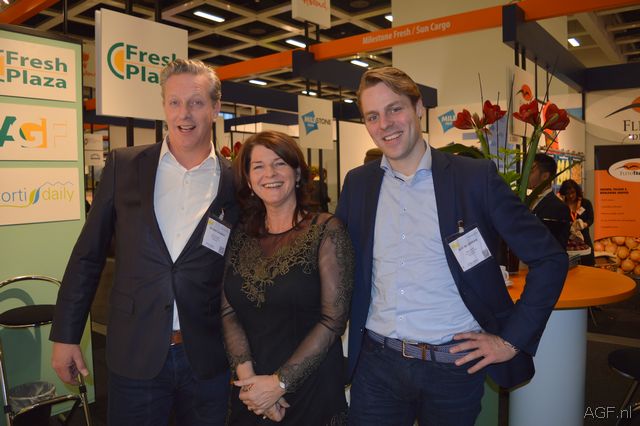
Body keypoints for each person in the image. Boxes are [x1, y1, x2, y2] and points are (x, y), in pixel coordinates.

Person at [335, 66, 568, 425]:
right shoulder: (358, 184)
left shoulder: (473, 179)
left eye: (395, 109)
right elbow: (339, 266)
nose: (385, 124)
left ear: (418, 108)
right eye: (372, 116)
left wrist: (510, 341)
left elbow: (550, 259)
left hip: (453, 369)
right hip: (377, 366)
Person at [50, 59, 238, 425]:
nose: (184, 113)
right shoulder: (124, 166)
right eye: (174, 102)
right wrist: (66, 336)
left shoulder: (236, 181)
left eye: (197, 102)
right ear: (164, 106)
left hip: (207, 357)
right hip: (135, 353)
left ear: (216, 108)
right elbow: (88, 255)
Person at [221, 130, 353, 425]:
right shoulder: (241, 235)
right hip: (251, 391)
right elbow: (228, 311)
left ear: (297, 173)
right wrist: (250, 383)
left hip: (311, 387)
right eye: (258, 166)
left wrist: (279, 384)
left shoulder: (326, 230)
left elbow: (333, 320)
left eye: (279, 163)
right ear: (249, 180)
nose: (270, 174)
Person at [528, 153, 572, 249]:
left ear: (545, 176)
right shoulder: (526, 201)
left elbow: (557, 246)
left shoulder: (559, 208)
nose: (526, 175)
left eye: (531, 171)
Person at [559, 179, 596, 266]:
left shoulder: (585, 203)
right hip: (569, 241)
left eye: (573, 192)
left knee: (587, 264)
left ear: (577, 191)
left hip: (584, 238)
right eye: (567, 193)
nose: (571, 195)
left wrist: (584, 225)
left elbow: (591, 218)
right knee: (570, 267)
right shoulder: (562, 206)